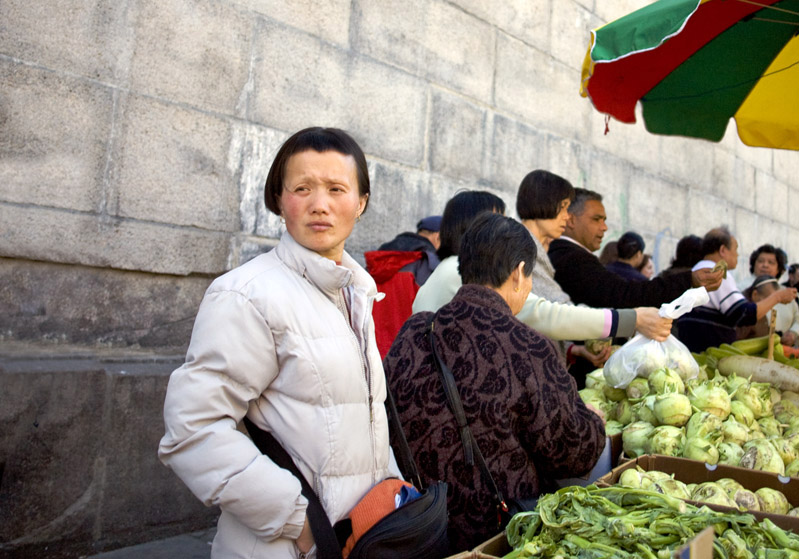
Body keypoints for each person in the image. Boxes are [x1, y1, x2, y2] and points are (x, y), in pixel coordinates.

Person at [158, 127, 397, 558]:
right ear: (279, 200)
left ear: (360, 203)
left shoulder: (354, 291)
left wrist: (391, 489)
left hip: (355, 538)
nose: (319, 204)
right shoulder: (247, 294)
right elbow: (192, 429)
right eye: (302, 188)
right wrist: (299, 523)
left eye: (336, 188)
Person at [384, 212, 606, 552]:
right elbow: (573, 454)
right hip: (495, 534)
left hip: (417, 523)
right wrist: (594, 421)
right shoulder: (529, 346)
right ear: (518, 274)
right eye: (529, 277)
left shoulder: (414, 332)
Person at [413, 190, 673, 387]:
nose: (502, 231)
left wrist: (572, 350)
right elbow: (543, 314)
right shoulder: (463, 273)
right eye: (497, 222)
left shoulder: (448, 269)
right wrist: (631, 319)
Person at [514, 170, 667, 373]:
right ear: (544, 203)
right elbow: (551, 314)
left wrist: (572, 350)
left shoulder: (529, 246)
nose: (567, 217)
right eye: (564, 208)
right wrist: (632, 319)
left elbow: (534, 318)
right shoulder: (521, 248)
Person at [548, 188, 723, 308]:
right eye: (596, 219)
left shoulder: (562, 254)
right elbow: (627, 296)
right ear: (570, 220)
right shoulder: (572, 259)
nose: (604, 227)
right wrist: (688, 281)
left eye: (605, 220)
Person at [675, 227, 797, 353]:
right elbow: (743, 314)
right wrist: (778, 297)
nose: (737, 254)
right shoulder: (716, 272)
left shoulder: (698, 269)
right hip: (707, 353)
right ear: (723, 250)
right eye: (735, 249)